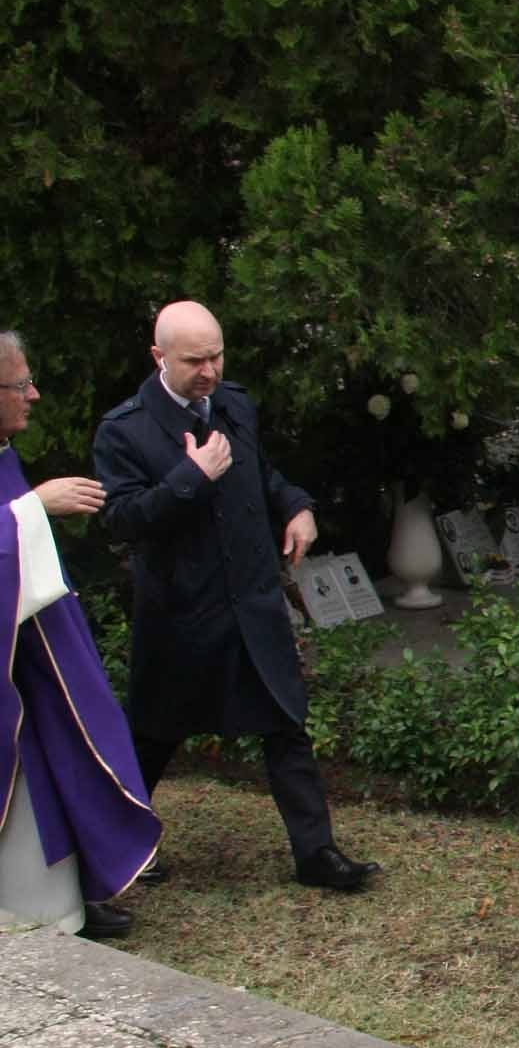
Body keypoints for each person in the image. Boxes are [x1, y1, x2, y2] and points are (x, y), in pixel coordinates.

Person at [93, 301, 377, 893]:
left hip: (251, 603)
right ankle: (111, 848)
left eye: (216, 355)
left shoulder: (235, 404)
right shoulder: (125, 430)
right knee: (152, 736)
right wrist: (189, 481)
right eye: (194, 360)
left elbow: (262, 474)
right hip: (181, 615)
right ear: (158, 357)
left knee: (285, 724)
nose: (209, 371)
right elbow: (120, 519)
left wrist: (296, 506)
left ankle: (316, 854)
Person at [0, 330, 162, 943]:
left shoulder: (2, 451)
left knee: (65, 757)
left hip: (28, 655)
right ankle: (32, 907)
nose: (34, 395)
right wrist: (35, 509)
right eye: (20, 385)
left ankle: (71, 894)